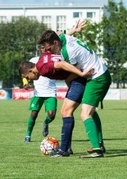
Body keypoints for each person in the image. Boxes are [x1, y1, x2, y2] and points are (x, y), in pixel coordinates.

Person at [19, 29, 111, 158]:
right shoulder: (54, 47)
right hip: (91, 75)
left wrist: (78, 75)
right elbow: (62, 35)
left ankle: (68, 149)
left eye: (27, 77)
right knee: (88, 111)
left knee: (76, 112)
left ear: (30, 71)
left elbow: (64, 64)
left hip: (91, 77)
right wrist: (74, 30)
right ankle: (95, 145)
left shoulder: (45, 66)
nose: (47, 50)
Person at [23, 50, 58, 143]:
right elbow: (24, 74)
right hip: (38, 93)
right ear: (39, 49)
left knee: (52, 114)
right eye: (42, 47)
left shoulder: (52, 59)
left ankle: (46, 122)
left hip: (50, 91)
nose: (44, 49)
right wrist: (26, 83)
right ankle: (28, 135)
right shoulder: (33, 60)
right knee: (34, 114)